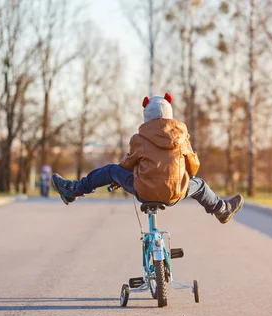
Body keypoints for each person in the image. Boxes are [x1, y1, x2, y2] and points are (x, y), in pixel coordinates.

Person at [51, 93, 244, 224]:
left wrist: (119, 179)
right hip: (175, 193)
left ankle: (73, 190)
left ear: (146, 116)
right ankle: (222, 209)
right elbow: (194, 167)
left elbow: (127, 165)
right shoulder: (182, 137)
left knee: (110, 170)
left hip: (144, 191)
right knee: (199, 185)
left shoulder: (140, 138)